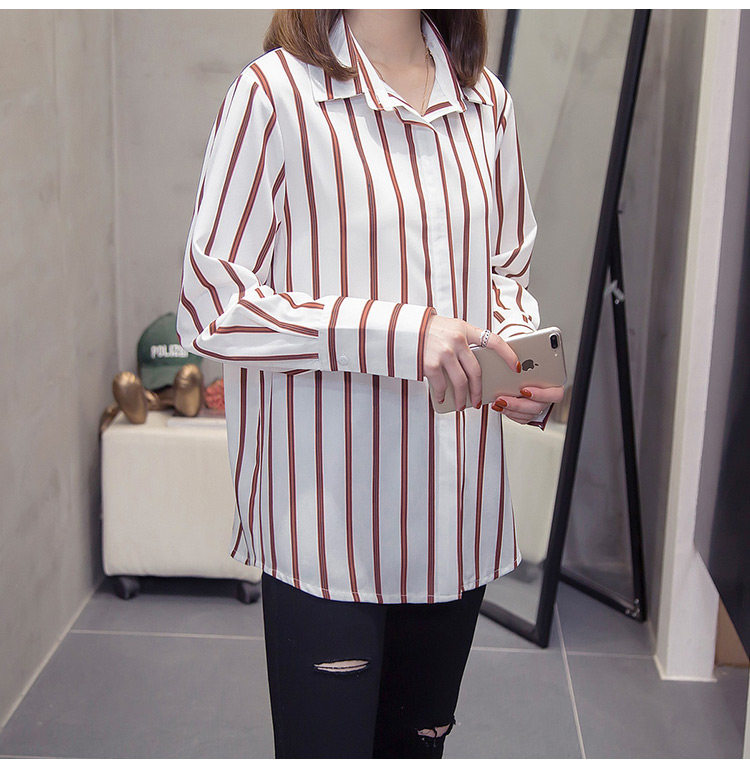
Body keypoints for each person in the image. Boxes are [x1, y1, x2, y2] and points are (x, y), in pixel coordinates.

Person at [176, 8, 564, 758]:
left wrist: (521, 362)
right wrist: (399, 334)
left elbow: (503, 271)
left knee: (417, 749)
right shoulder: (274, 94)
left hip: (455, 514)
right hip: (327, 523)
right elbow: (213, 306)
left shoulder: (487, 101)